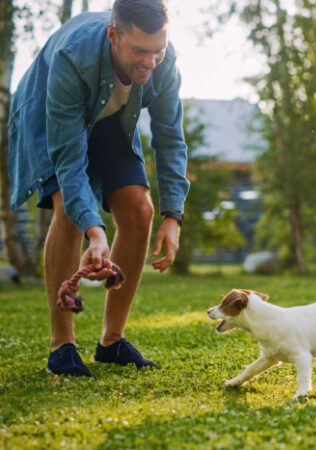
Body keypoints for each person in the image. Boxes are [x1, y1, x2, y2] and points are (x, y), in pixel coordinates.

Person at [8, 0, 189, 377]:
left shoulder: (163, 60)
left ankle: (111, 341)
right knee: (69, 213)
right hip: (54, 113)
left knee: (140, 211)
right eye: (139, 51)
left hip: (111, 119)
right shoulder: (74, 58)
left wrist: (174, 216)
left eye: (157, 50)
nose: (150, 62)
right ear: (113, 34)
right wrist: (95, 229)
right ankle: (62, 346)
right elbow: (70, 161)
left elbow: (171, 139)